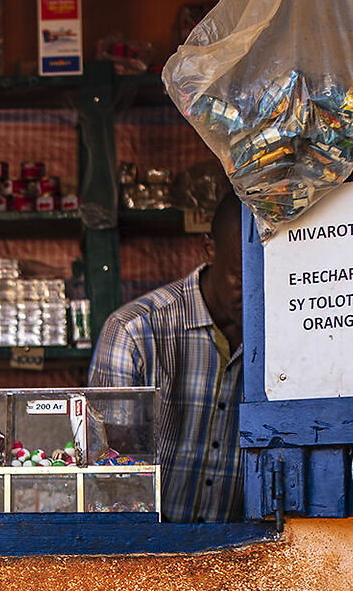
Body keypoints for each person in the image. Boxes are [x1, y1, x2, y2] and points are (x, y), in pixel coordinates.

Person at [87, 189, 247, 522]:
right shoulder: (134, 332)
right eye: (240, 277)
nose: (253, 293)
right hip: (149, 549)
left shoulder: (283, 334)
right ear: (209, 250)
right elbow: (110, 474)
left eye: (264, 278)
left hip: (243, 553)